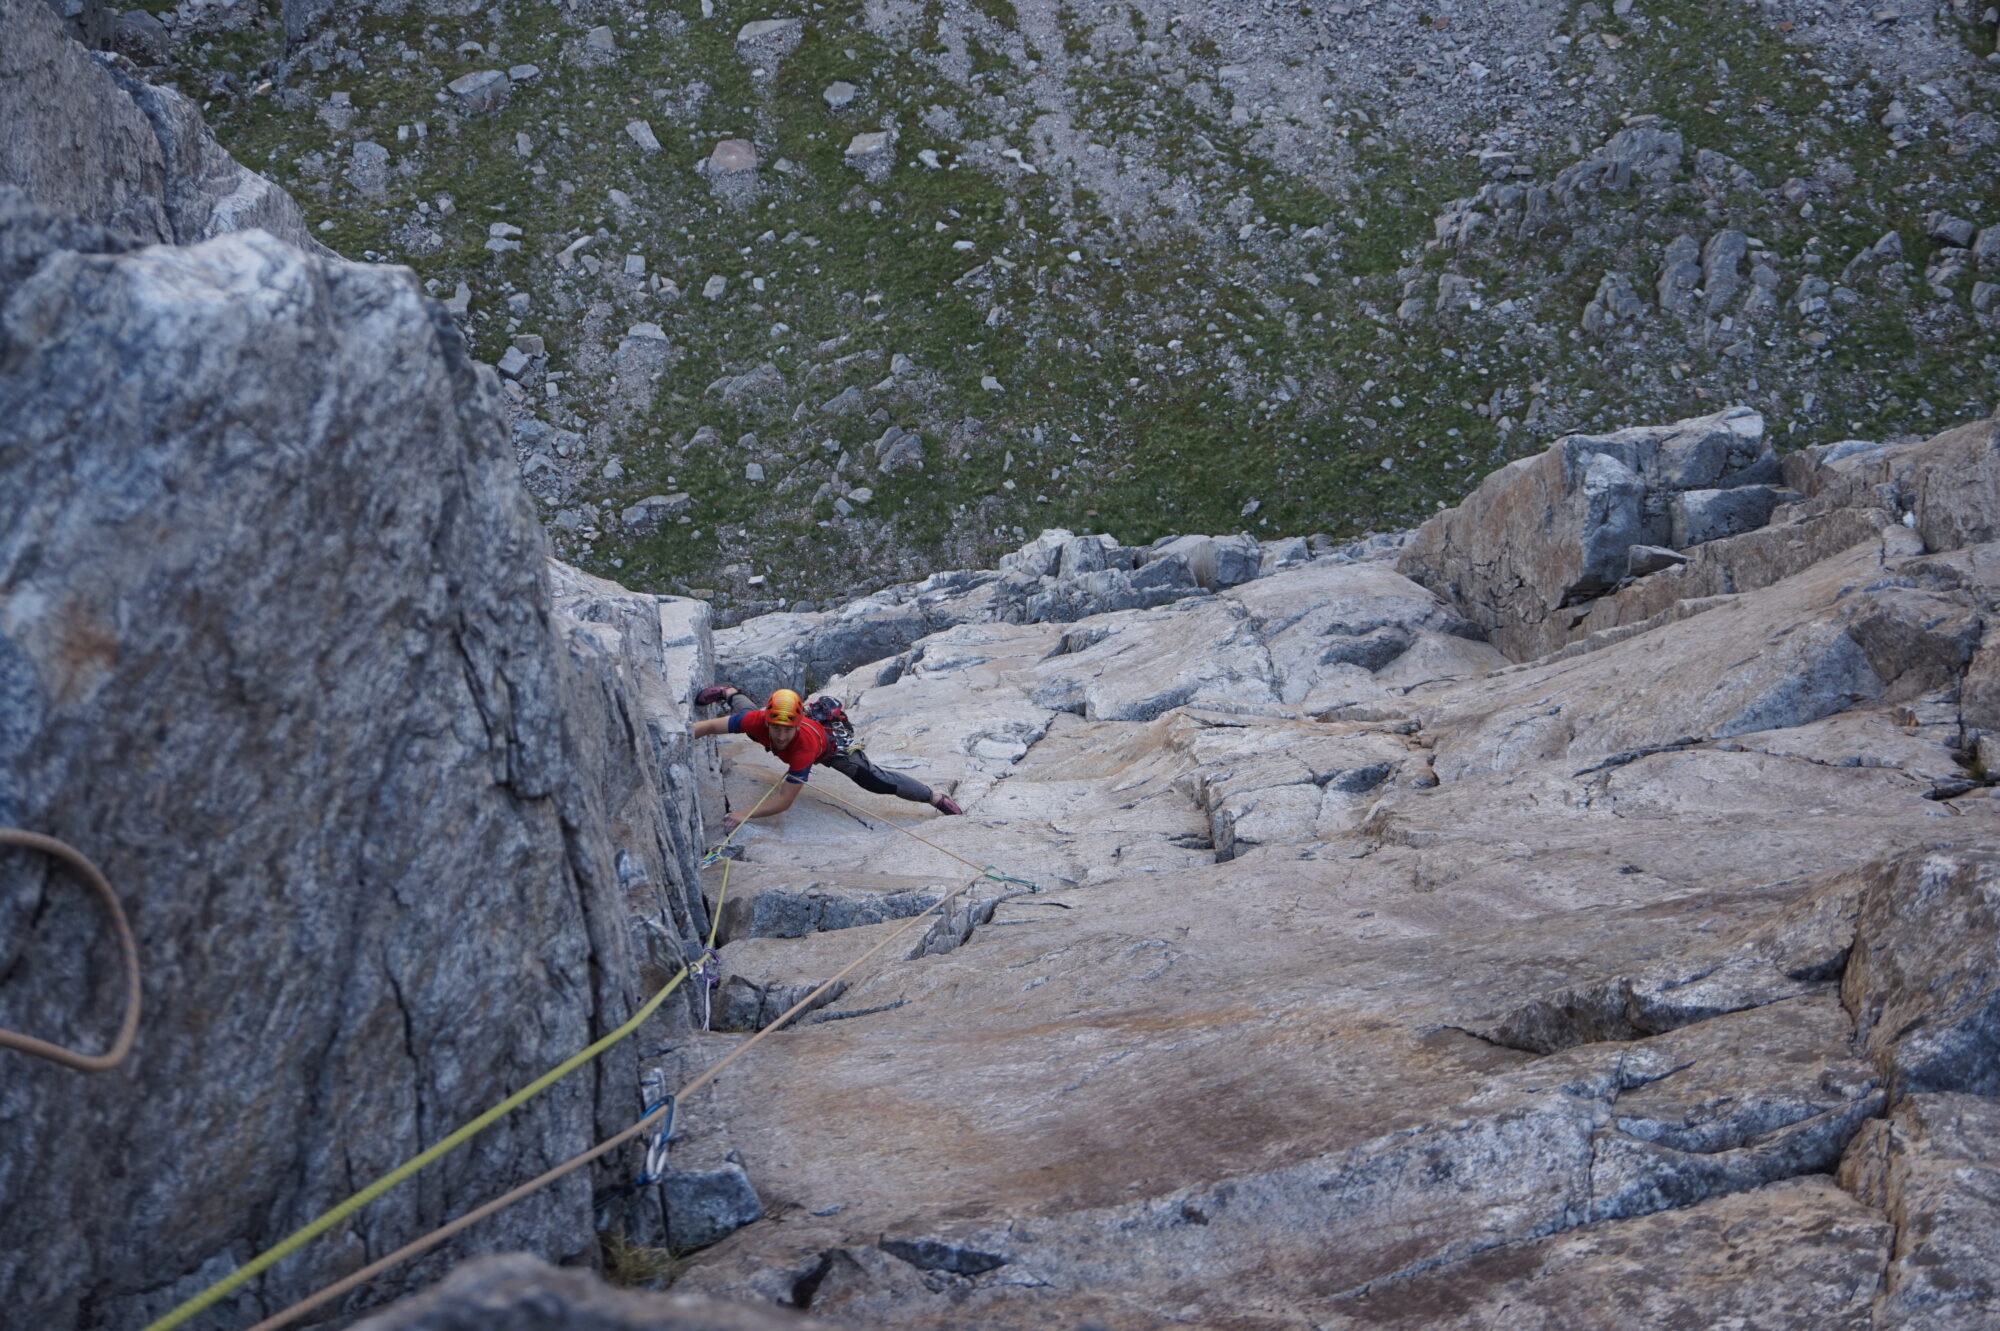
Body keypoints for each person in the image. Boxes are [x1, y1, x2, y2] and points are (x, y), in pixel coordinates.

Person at [692, 685, 963, 830]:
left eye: (788, 730)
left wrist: (745, 813)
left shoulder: (803, 748)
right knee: (744, 718)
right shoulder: (758, 721)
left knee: (874, 781)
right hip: (773, 724)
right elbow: (709, 727)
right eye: (776, 727)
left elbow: (785, 801)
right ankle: (729, 692)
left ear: (798, 725)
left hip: (832, 748)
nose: (782, 736)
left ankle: (934, 797)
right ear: (768, 720)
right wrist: (676, 738)